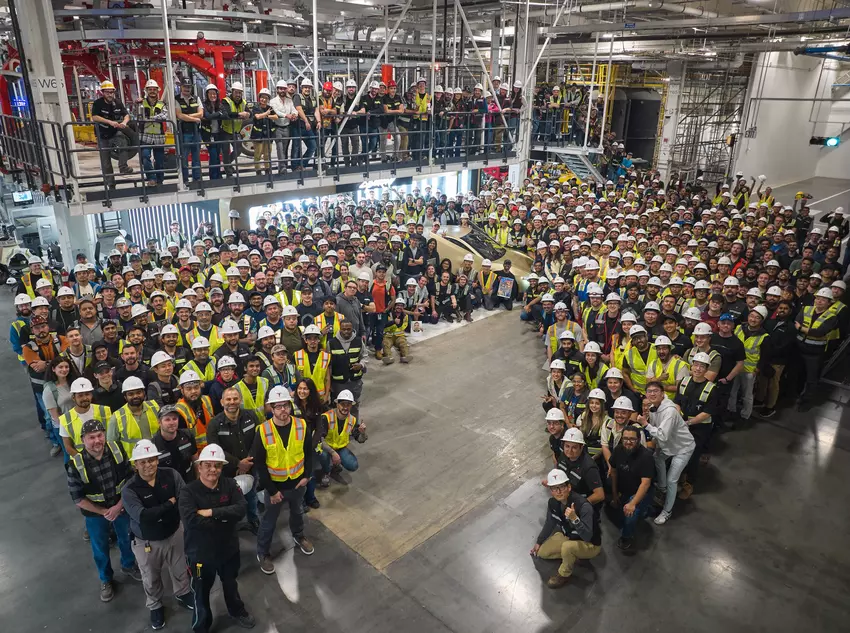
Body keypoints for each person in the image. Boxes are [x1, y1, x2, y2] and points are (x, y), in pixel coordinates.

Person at [178, 444, 256, 631]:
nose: (213, 469)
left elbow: (241, 509)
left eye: (217, 465)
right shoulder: (188, 492)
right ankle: (201, 626)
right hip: (200, 554)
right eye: (208, 465)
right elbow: (191, 521)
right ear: (199, 466)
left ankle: (237, 610)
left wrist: (211, 512)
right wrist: (226, 518)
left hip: (228, 550)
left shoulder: (230, 485)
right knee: (201, 592)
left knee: (230, 584)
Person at [65, 419, 141, 602]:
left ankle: (128, 564)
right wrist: (104, 512)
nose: (97, 441)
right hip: (96, 515)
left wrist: (118, 507)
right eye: (91, 437)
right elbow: (78, 499)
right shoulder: (76, 464)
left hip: (120, 508)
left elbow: (130, 481)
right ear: (83, 440)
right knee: (100, 547)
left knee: (127, 538)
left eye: (100, 435)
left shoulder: (117, 450)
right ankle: (106, 579)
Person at [122, 439, 193, 629]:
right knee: (151, 577)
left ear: (157, 460)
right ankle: (155, 605)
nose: (148, 465)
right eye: (143, 462)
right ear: (135, 465)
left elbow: (185, 499)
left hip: (174, 532)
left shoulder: (171, 475)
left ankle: (183, 593)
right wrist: (169, 504)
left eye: (152, 460)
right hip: (147, 541)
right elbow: (143, 516)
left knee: (180, 568)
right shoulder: (129, 489)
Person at [252, 386, 315, 575]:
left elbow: (308, 453)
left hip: (297, 484)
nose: (283, 410)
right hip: (275, 488)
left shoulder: (301, 425)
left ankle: (299, 536)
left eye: (286, 405)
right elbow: (260, 465)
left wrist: (307, 476)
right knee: (269, 521)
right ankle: (263, 553)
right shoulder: (263, 431)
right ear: (271, 408)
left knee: (297, 512)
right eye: (278, 406)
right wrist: (272, 491)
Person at [635, 381, 695, 525]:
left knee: (672, 480)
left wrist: (645, 424)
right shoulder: (653, 408)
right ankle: (662, 488)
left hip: (683, 448)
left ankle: (667, 511)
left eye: (656, 391)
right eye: (649, 391)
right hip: (669, 446)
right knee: (657, 457)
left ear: (663, 393)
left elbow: (662, 435)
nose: (652, 394)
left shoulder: (669, 411)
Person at [530, 468, 602, 589]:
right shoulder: (553, 503)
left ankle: (564, 574)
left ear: (569, 487)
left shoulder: (583, 506)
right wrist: (539, 541)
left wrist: (575, 519)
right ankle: (573, 555)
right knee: (542, 552)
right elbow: (550, 523)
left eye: (561, 487)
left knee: (567, 547)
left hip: (590, 544)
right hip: (569, 536)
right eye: (554, 488)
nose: (558, 492)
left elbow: (587, 536)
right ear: (550, 491)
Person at [205, 387, 260, 533]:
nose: (232, 402)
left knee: (251, 495)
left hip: (251, 466)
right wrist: (238, 463)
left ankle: (253, 520)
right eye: (228, 399)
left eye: (235, 398)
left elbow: (259, 439)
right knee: (228, 500)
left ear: (240, 400)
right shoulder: (214, 424)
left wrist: (247, 462)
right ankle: (231, 526)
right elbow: (215, 448)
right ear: (222, 402)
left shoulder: (251, 416)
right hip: (227, 471)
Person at [608, 425, 655, 551]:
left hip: (641, 491)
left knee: (630, 514)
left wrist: (633, 503)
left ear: (638, 440)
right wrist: (614, 494)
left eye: (632, 439)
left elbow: (645, 484)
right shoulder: (618, 450)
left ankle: (627, 537)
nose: (628, 442)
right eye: (625, 438)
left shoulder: (646, 457)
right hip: (625, 487)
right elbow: (613, 472)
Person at [90, 80, 135, 188]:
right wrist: (109, 122)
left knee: (123, 142)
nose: (110, 94)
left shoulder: (117, 103)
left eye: (111, 92)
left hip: (115, 132)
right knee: (106, 161)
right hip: (102, 134)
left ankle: (123, 167)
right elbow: (94, 117)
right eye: (107, 92)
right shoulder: (98, 103)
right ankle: (111, 184)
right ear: (103, 92)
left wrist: (124, 122)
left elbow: (126, 115)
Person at [107, 376, 162, 456]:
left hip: (156, 457)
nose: (135, 396)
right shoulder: (117, 417)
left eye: (138, 392)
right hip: (133, 461)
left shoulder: (155, 407)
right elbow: (112, 445)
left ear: (144, 393)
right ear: (125, 397)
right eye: (131, 394)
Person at [152, 404, 198, 482]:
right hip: (168, 485)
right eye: (167, 420)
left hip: (189, 481)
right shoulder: (153, 445)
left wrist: (198, 481)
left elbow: (195, 461)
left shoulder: (188, 435)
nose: (172, 422)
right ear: (159, 422)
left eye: (174, 419)